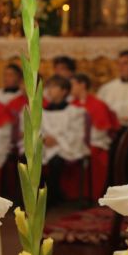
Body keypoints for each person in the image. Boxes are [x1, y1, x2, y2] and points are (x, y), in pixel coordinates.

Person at [21, 75, 88, 203]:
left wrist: (57, 140)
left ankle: (49, 197)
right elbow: (36, 129)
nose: (49, 90)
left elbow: (76, 133)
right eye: (49, 87)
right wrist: (43, 139)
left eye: (54, 87)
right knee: (27, 157)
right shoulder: (41, 111)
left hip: (65, 146)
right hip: (45, 144)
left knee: (56, 161)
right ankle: (30, 197)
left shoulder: (74, 111)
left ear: (64, 91)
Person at [70, 73, 120, 200]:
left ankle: (89, 194)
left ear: (82, 85)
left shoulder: (98, 104)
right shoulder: (71, 104)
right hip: (74, 142)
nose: (70, 88)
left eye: (73, 85)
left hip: (96, 143)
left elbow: (101, 132)